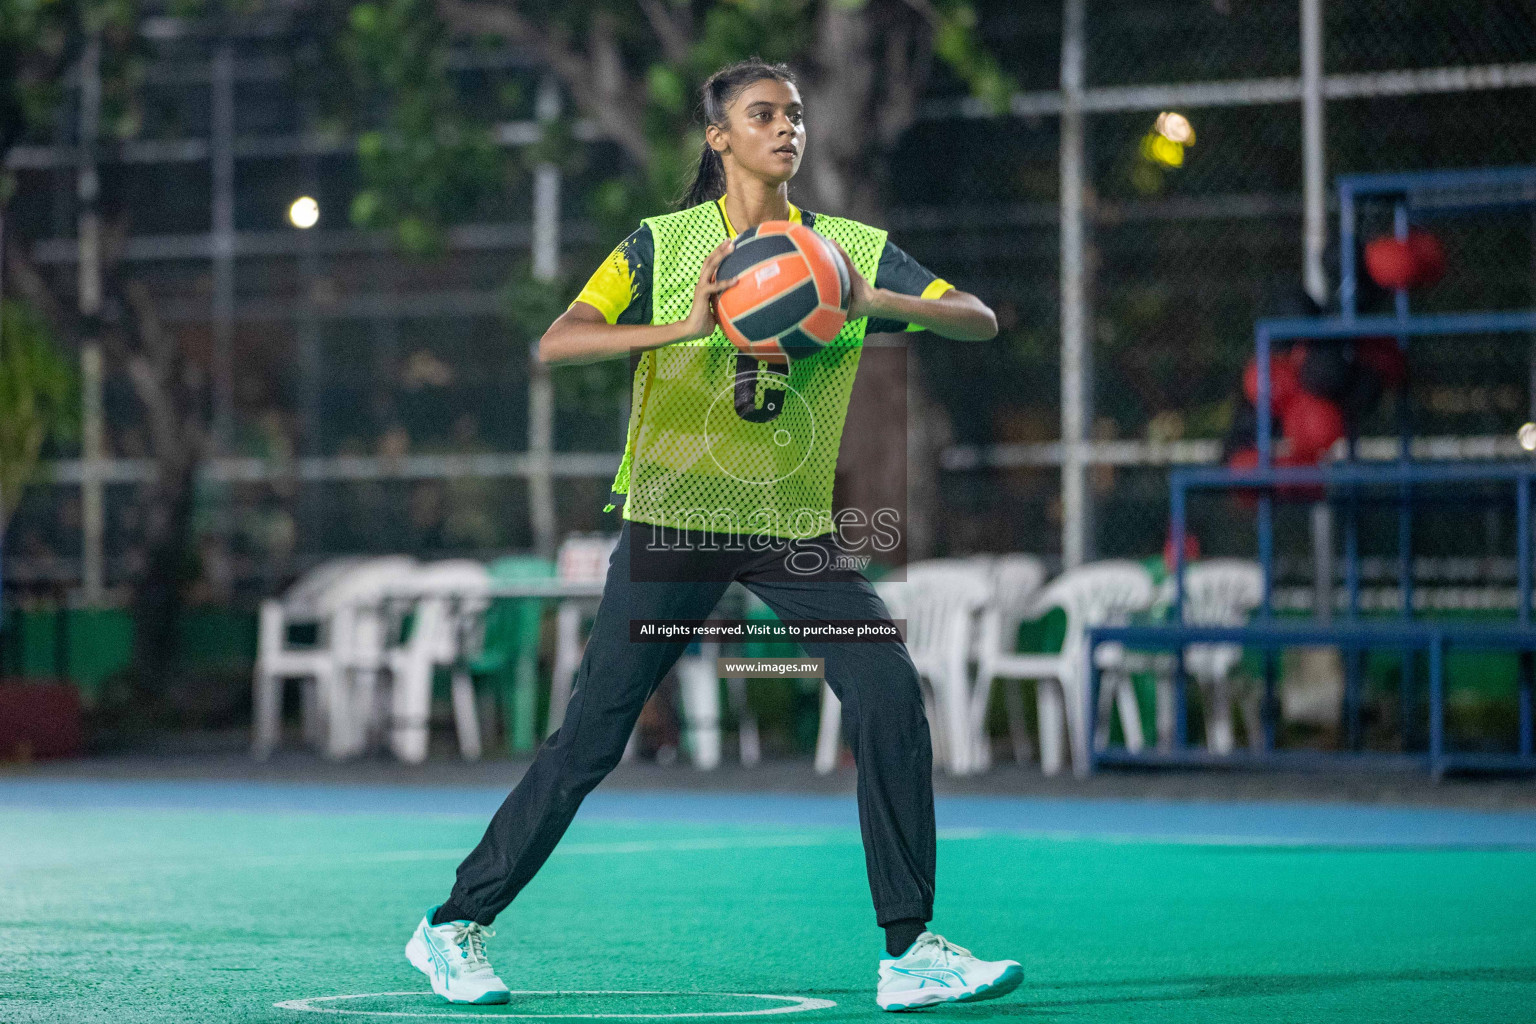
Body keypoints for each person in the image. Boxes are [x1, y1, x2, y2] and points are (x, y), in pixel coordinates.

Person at [404, 58, 1022, 1013]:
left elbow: (976, 319)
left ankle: (910, 952)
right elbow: (559, 340)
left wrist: (874, 301)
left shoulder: (846, 249)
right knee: (593, 738)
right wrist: (685, 326)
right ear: (719, 138)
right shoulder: (663, 245)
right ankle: (452, 927)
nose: (787, 129)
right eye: (763, 115)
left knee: (889, 689)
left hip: (788, 526)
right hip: (674, 519)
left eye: (796, 115)